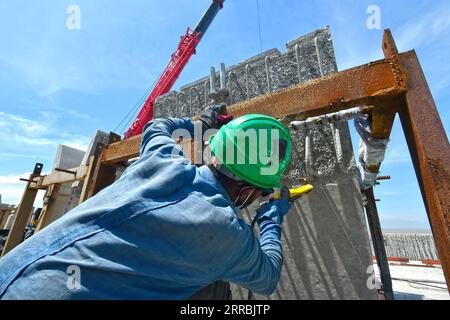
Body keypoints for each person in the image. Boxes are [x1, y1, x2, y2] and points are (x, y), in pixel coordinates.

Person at [0, 105, 295, 300]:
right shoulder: (228, 233)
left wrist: (200, 124)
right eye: (259, 192)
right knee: (215, 291)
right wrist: (272, 216)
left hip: (9, 276)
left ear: (214, 152)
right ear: (248, 191)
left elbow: (157, 127)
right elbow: (268, 278)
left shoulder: (162, 160)